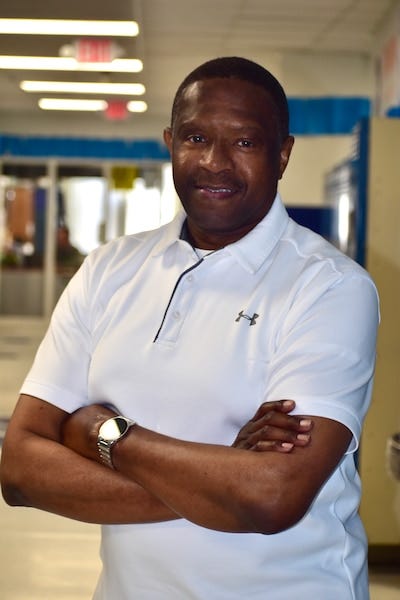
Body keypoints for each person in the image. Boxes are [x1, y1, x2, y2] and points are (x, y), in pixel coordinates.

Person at [1, 57, 379, 599]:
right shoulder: (109, 269)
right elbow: (19, 468)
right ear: (169, 142)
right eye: (196, 137)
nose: (214, 163)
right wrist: (226, 478)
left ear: (283, 154)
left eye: (244, 142)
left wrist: (102, 434)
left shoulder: (330, 288)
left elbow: (272, 497)